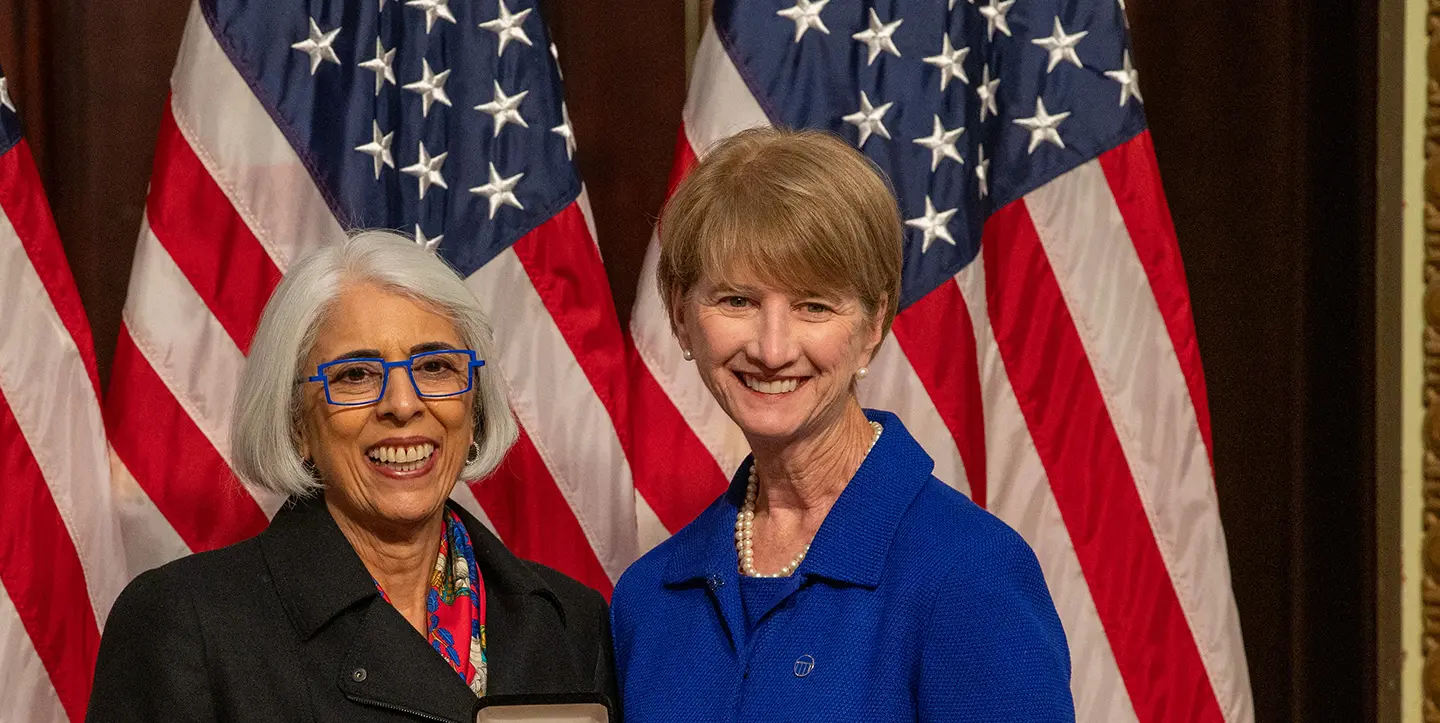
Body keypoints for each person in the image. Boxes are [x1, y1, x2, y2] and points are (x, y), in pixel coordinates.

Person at [610, 128, 1074, 721]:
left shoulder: (971, 573)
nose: (773, 349)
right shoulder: (648, 599)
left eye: (814, 306)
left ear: (873, 324)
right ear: (680, 317)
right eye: (737, 302)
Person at [87, 231, 617, 722]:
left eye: (435, 366)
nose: (403, 404)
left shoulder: (571, 621)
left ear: (473, 405)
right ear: (297, 423)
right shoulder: (185, 623)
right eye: (356, 375)